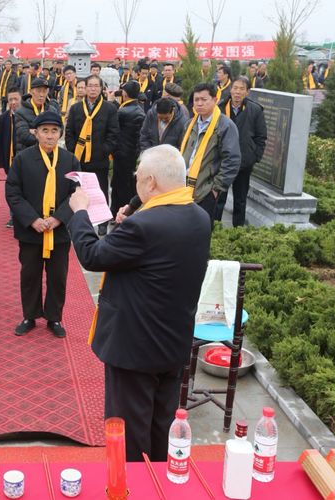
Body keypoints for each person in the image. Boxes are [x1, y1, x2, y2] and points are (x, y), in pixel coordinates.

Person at [68, 144, 211, 462]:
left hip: (134, 348)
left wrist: (80, 213)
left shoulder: (144, 226)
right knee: (162, 427)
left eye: (137, 177)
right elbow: (153, 256)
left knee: (129, 437)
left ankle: (130, 484)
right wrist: (133, 218)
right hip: (172, 342)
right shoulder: (200, 218)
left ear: (150, 181)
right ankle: (160, 479)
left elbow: (93, 255)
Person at [5, 111, 79, 338]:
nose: (49, 136)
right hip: (32, 230)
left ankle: (54, 317)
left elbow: (76, 193)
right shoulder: (22, 159)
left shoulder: (70, 160)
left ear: (60, 134)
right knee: (30, 275)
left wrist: (59, 218)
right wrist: (32, 219)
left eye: (54, 131)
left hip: (59, 230)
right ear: (35, 133)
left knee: (58, 276)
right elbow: (13, 192)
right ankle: (30, 315)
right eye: (44, 131)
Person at [65, 74, 119, 235]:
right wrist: (73, 150)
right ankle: (78, 221)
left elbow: (114, 134)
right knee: (77, 191)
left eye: (96, 86)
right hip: (79, 158)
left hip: (99, 158)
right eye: (90, 86)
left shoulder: (109, 109)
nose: (93, 89)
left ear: (101, 88)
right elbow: (69, 132)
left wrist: (104, 150)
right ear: (85, 88)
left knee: (100, 190)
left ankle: (102, 222)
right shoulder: (76, 108)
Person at [179, 82, 241, 224]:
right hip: (182, 188)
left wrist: (215, 189)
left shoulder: (225, 126)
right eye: (196, 99)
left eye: (204, 99)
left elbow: (232, 160)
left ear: (215, 100)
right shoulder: (190, 124)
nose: (199, 103)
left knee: (200, 230)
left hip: (206, 192)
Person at [216, 77, 267, 226]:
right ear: (230, 90)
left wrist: (254, 157)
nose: (237, 92)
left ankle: (238, 230)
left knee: (240, 199)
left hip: (243, 162)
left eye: (241, 89)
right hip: (222, 161)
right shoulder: (220, 108)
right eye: (235, 88)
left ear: (247, 92)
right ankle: (215, 228)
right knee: (219, 197)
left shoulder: (255, 110)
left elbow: (261, 136)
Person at [111, 81, 145, 216]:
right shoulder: (139, 109)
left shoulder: (123, 111)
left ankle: (118, 212)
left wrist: (112, 102)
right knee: (129, 185)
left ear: (124, 94)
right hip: (133, 154)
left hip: (121, 153)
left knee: (119, 185)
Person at [14, 78, 59, 152]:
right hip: (27, 152)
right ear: (31, 92)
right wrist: (49, 135)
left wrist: (36, 132)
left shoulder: (52, 110)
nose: (41, 95)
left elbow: (60, 130)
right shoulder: (20, 112)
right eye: (38, 91)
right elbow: (25, 136)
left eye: (44, 91)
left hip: (48, 152)